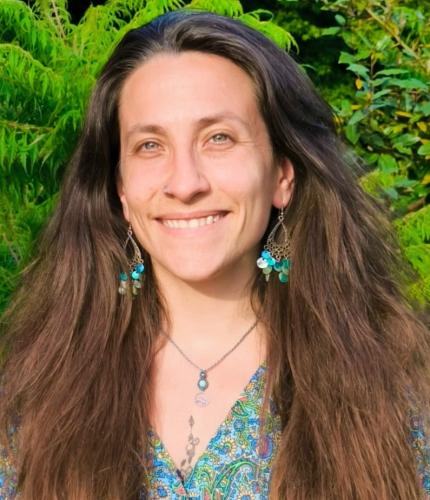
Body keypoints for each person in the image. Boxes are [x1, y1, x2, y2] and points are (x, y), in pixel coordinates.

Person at [0, 9, 429, 499]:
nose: (185, 184)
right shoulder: (38, 395)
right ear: (120, 188)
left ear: (282, 174)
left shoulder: (398, 390)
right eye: (149, 145)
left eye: (218, 138)